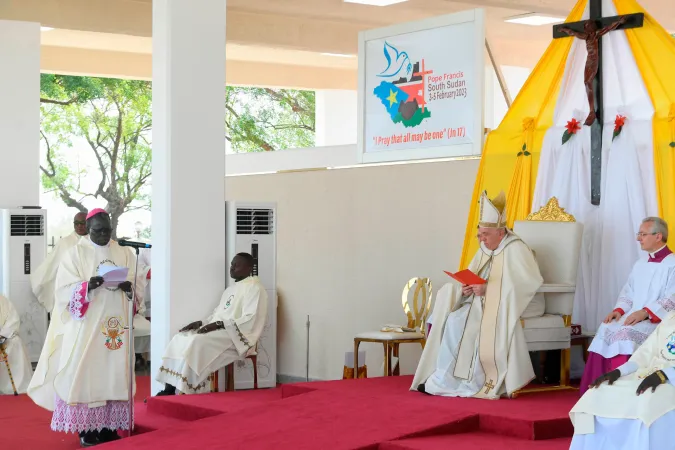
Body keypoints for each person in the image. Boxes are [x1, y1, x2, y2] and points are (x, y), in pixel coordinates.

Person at [411, 191, 543, 399]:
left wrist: (489, 290)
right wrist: (466, 289)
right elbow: (474, 275)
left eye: (485, 235)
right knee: (453, 319)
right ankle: (445, 378)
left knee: (461, 323)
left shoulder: (517, 249)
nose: (481, 239)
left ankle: (472, 381)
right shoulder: (484, 248)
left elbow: (529, 283)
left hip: (510, 304)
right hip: (482, 302)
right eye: (479, 235)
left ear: (501, 232)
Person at [27, 208, 140, 447]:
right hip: (86, 327)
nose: (103, 236)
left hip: (116, 325)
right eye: (98, 231)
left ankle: (108, 426)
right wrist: (86, 287)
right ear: (88, 230)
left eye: (107, 231)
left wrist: (129, 288)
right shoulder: (74, 254)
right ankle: (87, 428)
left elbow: (137, 285)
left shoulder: (125, 252)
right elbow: (62, 292)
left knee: (113, 373)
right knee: (86, 372)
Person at [580, 217, 675, 395]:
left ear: (658, 236)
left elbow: (673, 298)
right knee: (606, 328)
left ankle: (621, 392)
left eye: (643, 234)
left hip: (658, 321)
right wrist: (619, 310)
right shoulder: (640, 264)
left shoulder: (672, 264)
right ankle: (595, 391)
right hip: (635, 315)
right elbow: (628, 291)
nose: (639, 238)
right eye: (638, 234)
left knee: (626, 334)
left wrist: (646, 313)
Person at [156, 253, 268, 395]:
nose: (232, 268)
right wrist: (201, 323)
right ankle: (169, 389)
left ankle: (187, 392)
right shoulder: (230, 289)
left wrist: (219, 325)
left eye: (236, 265)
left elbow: (250, 318)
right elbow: (217, 314)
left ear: (249, 267)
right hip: (222, 331)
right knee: (180, 337)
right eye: (232, 265)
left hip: (237, 337)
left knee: (197, 341)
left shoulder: (255, 288)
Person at [570, 312, 675, 449]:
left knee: (648, 401)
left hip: (669, 380)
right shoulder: (671, 317)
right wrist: (619, 371)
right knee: (595, 394)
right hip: (648, 374)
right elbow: (644, 354)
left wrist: (666, 374)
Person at [31, 211, 88, 313]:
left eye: (83, 223)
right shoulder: (65, 243)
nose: (79, 226)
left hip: (89, 289)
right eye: (76, 223)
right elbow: (51, 265)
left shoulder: (94, 242)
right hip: (69, 288)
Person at [0, 295, 32, 395]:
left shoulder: (3, 300)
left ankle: (15, 385)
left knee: (16, 342)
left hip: (3, 337)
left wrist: (2, 335)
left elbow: (12, 320)